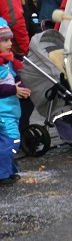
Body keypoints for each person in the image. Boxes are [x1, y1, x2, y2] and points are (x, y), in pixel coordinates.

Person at [0, 17, 30, 186]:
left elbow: (14, 78)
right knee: (12, 140)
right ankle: (2, 173)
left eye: (10, 39)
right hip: (3, 111)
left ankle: (9, 171)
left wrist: (21, 87)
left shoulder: (7, 61)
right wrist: (14, 90)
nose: (10, 43)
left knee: (5, 141)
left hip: (10, 109)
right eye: (4, 40)